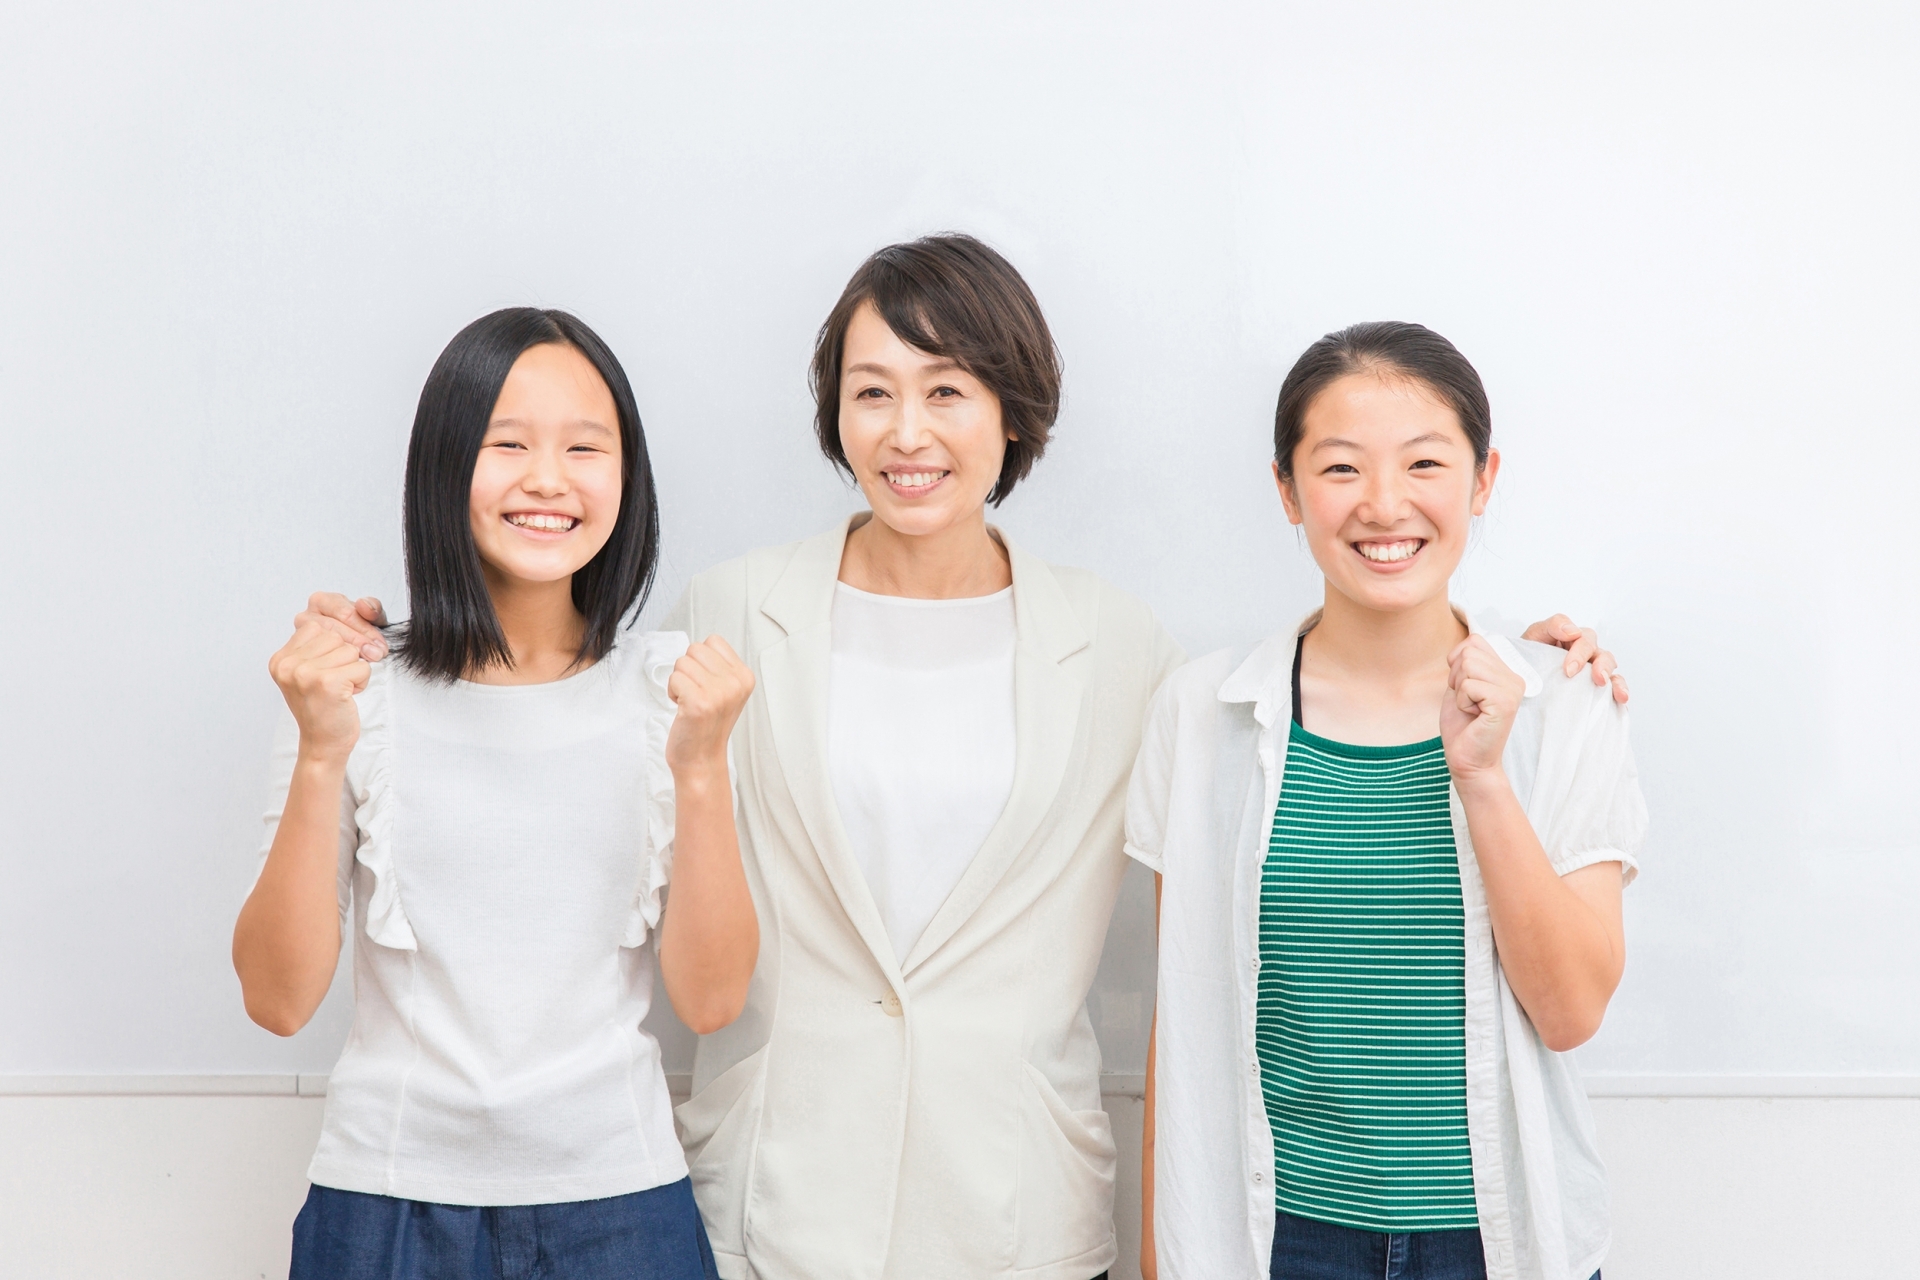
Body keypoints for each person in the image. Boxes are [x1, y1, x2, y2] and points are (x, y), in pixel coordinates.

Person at [297, 246, 1626, 1280]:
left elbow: (1266, 811)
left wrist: (1550, 659)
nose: (908, 430)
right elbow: (553, 698)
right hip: (774, 1198)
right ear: (835, 414)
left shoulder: (1123, 650)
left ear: (1011, 412)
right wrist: (386, 648)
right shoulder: (730, 612)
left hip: (1018, 1205)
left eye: (948, 390)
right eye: (872, 392)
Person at [234, 307, 757, 1280]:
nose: (548, 478)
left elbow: (713, 999)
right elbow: (277, 999)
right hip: (386, 1203)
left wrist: (700, 767)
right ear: (443, 468)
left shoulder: (674, 690)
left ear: (627, 477)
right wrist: (318, 754)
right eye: (506, 443)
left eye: (584, 447)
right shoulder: (350, 686)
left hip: (623, 1202)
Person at [1127, 321, 1644, 1280]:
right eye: (1340, 468)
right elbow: (1181, 1023)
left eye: (1424, 463)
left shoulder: (1564, 704)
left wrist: (1483, 777)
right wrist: (1164, 1258)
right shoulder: (1200, 714)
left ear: (1483, 479)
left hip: (1498, 1240)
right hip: (1277, 1240)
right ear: (1287, 490)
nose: (1384, 504)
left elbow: (1570, 1011)